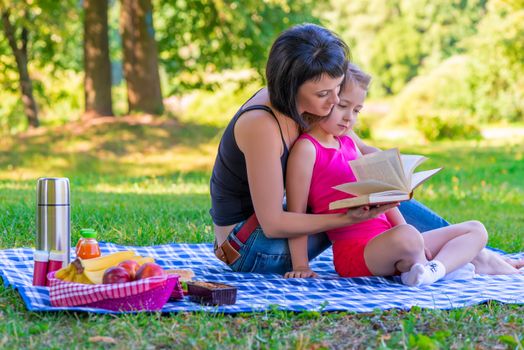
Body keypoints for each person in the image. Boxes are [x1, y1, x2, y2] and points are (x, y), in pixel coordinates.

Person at [209, 23, 523, 276]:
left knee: (377, 188)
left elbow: (361, 151)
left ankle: (469, 254)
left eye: (337, 91)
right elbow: (274, 222)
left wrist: (399, 177)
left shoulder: (309, 104)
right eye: (324, 94)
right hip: (252, 247)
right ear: (291, 87)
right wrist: (348, 218)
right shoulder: (262, 125)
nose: (333, 104)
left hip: (281, 229)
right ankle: (469, 258)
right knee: (361, 196)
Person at [283, 64, 507, 285]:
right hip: (357, 252)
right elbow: (297, 212)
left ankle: (434, 270)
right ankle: (440, 265)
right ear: (325, 100)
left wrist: (410, 230)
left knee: (475, 229)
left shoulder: (348, 141)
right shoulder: (307, 149)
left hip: (393, 239)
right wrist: (301, 266)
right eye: (343, 106)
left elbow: (386, 201)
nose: (349, 117)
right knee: (408, 236)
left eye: (357, 110)